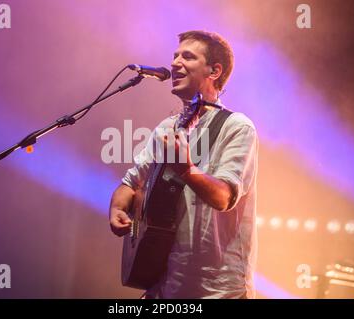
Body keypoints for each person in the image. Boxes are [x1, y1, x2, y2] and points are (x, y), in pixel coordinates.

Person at [109, 30, 258, 299]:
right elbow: (130, 183)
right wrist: (118, 207)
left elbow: (225, 196)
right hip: (163, 286)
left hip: (216, 291)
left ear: (214, 71)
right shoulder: (167, 128)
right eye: (175, 56)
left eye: (187, 57)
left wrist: (187, 170)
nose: (175, 63)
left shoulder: (237, 127)